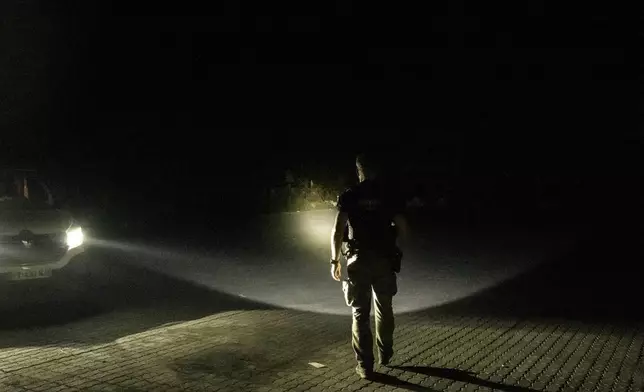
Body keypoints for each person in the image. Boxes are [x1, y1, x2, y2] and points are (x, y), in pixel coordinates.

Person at [329, 152, 408, 379]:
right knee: (384, 309)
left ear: (359, 170)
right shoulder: (389, 195)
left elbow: (337, 230)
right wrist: (398, 249)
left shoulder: (350, 196)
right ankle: (386, 353)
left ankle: (365, 365)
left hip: (358, 259)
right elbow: (403, 227)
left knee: (360, 313)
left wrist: (334, 260)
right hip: (384, 259)